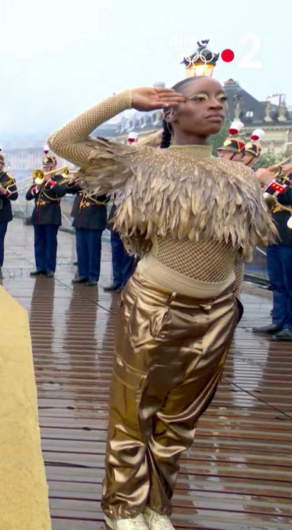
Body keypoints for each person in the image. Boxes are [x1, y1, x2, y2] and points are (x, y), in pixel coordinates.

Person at [48, 69, 275, 529]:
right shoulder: (143, 163)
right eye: (200, 98)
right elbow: (63, 140)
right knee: (135, 411)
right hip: (156, 305)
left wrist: (228, 299)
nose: (216, 104)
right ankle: (123, 507)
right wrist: (128, 99)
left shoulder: (241, 176)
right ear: (171, 111)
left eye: (220, 98)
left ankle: (156, 505)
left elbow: (238, 249)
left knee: (181, 421)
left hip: (217, 313)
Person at [253, 162, 292, 340]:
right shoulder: (284, 176)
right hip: (276, 234)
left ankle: (290, 326)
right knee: (277, 282)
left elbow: (288, 196)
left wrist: (270, 181)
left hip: (290, 238)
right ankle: (279, 320)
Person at [26, 149, 67, 277]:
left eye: (48, 166)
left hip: (51, 214)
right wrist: (38, 187)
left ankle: (50, 269)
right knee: (38, 242)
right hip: (38, 214)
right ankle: (40, 266)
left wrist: (49, 181)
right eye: (44, 167)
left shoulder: (60, 178)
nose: (45, 169)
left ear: (54, 166)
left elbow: (61, 192)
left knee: (50, 243)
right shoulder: (38, 179)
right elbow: (28, 196)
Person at [65, 173, 109, 286]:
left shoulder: (103, 179)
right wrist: (72, 182)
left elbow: (103, 196)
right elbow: (69, 190)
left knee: (93, 249)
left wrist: (89, 184)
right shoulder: (82, 179)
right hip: (81, 218)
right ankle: (82, 274)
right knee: (81, 249)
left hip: (94, 218)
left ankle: (93, 276)